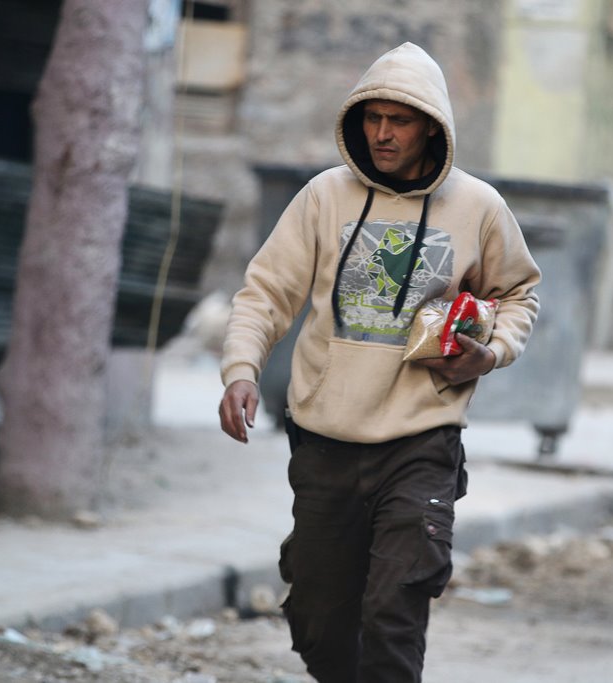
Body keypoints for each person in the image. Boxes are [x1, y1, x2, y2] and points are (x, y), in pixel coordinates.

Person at [218, 42, 540, 681]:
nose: (384, 133)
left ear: (432, 127)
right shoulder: (323, 197)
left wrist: (492, 351)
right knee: (317, 617)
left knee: (395, 607)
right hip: (324, 440)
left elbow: (518, 292)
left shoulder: (478, 206)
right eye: (373, 118)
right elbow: (266, 292)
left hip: (421, 442)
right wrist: (241, 370)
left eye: (400, 119)